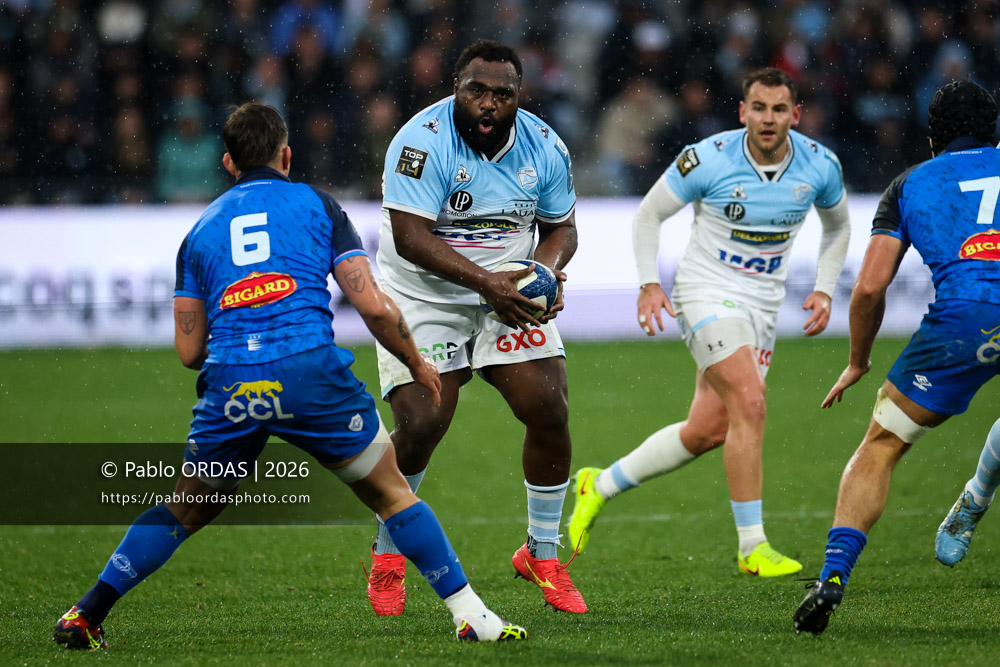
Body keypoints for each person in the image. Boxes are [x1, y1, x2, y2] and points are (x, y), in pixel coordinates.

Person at [52, 103, 527, 650]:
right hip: (309, 374)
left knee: (184, 508)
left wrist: (241, 318)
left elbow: (188, 351)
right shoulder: (318, 205)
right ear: (286, 154)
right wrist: (418, 362)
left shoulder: (199, 232)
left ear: (228, 162)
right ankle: (473, 617)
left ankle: (85, 615)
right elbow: (371, 306)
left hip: (233, 384)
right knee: (394, 495)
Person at [568, 67, 852, 577]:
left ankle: (599, 484)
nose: (768, 119)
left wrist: (826, 288)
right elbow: (648, 215)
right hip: (705, 293)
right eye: (759, 109)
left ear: (796, 114)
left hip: (762, 308)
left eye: (779, 109)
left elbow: (838, 227)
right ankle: (752, 545)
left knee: (707, 431)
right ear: (743, 112)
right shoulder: (708, 158)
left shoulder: (819, 165)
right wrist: (648, 283)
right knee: (751, 402)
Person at [364, 39, 587, 615]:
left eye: (502, 94)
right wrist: (490, 283)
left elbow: (563, 228)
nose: (489, 104)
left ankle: (541, 551)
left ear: (520, 96)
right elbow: (412, 238)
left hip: (506, 295)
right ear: (455, 88)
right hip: (423, 297)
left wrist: (547, 272)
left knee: (549, 407)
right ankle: (389, 553)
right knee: (422, 421)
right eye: (477, 91)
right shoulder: (419, 143)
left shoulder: (545, 146)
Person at [793, 80, 1000, 635]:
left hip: (961, 321)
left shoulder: (910, 183)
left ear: (933, 136)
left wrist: (859, 361)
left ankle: (832, 578)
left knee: (881, 445)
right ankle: (976, 498)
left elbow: (868, 289)